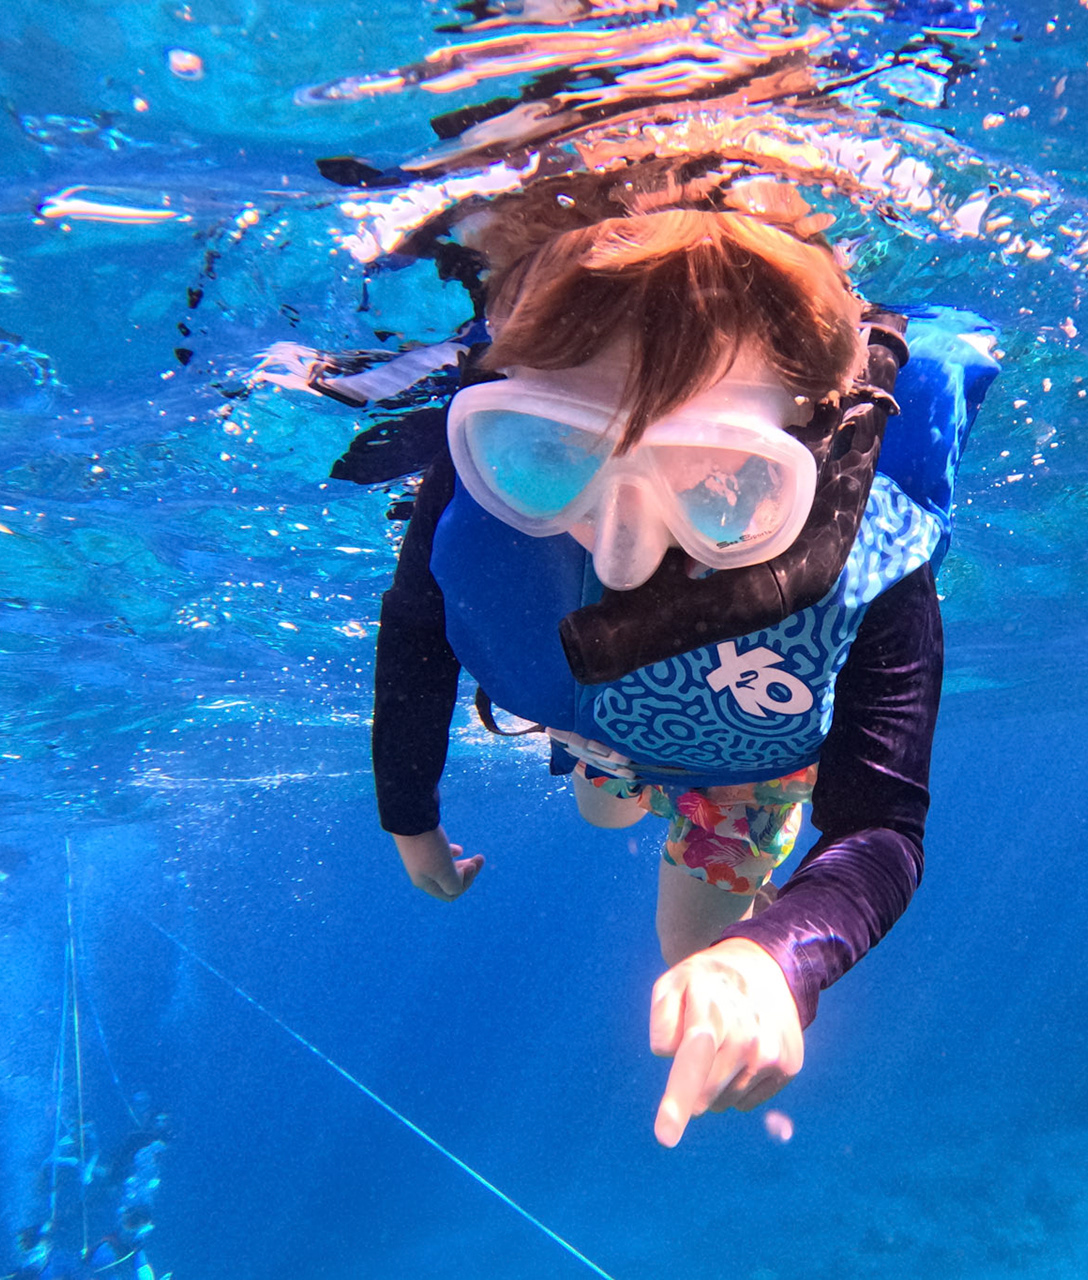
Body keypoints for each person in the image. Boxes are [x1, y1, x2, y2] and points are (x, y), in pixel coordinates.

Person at [369, 165, 996, 1146]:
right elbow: (419, 629)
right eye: (548, 452)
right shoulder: (468, 482)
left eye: (721, 482)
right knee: (602, 802)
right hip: (596, 733)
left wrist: (773, 960)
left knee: (691, 952)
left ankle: (707, 865)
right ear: (501, 416)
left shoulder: (877, 553)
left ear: (820, 443)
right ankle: (627, 784)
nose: (622, 555)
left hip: (743, 777)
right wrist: (410, 817)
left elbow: (881, 825)